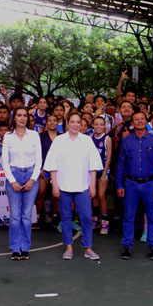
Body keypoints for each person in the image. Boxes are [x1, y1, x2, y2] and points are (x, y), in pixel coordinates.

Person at [43, 111, 103, 261]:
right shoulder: (59, 141)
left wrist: (93, 185)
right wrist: (55, 185)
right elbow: (52, 164)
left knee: (86, 217)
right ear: (67, 123)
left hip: (83, 185)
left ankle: (88, 248)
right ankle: (68, 247)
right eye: (73, 122)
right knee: (66, 217)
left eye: (78, 122)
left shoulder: (87, 141)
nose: (76, 125)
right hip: (63, 186)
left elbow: (93, 164)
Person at [116, 110, 153, 260]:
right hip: (130, 183)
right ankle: (127, 245)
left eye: (142, 119)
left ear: (146, 121)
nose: (139, 121)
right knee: (129, 216)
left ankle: (152, 246)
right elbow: (121, 164)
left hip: (150, 184)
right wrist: (119, 184)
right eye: (136, 119)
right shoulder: (127, 141)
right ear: (132, 123)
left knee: (152, 217)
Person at [1, 107, 42, 260]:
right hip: (14, 175)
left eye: (25, 115)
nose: (22, 118)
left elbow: (39, 160)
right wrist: (12, 181)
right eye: (19, 115)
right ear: (14, 118)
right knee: (15, 216)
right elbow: (5, 160)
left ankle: (25, 247)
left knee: (26, 215)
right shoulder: (8, 136)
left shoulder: (34, 135)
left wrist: (32, 179)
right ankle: (14, 248)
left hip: (31, 175)